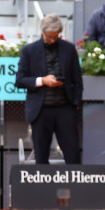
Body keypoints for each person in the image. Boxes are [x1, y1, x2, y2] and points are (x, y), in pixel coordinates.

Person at [15, 14, 83, 164]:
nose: (53, 40)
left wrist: (75, 104)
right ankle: (42, 188)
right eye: (49, 37)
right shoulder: (29, 51)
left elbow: (77, 80)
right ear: (42, 32)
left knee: (73, 156)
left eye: (56, 37)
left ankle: (74, 187)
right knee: (41, 157)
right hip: (41, 111)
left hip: (65, 109)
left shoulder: (69, 49)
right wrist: (42, 81)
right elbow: (19, 80)